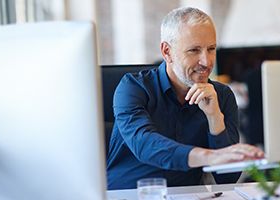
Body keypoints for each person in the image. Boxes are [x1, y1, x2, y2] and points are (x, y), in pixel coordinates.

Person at [106, 7, 264, 190]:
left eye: (211, 49)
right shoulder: (133, 88)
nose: (206, 62)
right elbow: (145, 144)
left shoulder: (222, 95)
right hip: (128, 193)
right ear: (167, 52)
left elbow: (227, 178)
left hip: (189, 195)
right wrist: (211, 156)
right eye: (194, 50)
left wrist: (214, 117)